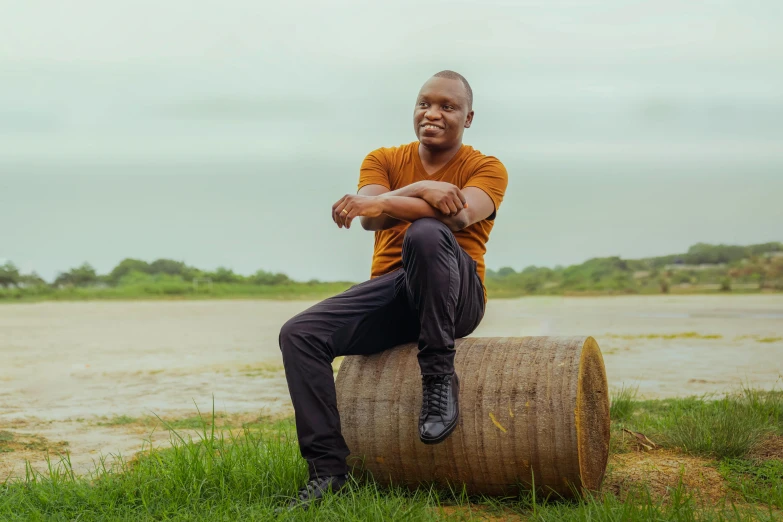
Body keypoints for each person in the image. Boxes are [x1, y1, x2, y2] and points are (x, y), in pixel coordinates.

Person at [279, 70, 508, 509]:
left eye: (448, 106)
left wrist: (385, 199)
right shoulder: (382, 159)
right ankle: (327, 471)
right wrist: (422, 187)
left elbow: (458, 217)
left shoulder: (486, 168)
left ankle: (439, 377)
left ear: (469, 117)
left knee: (425, 233)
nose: (433, 114)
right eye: (425, 103)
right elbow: (371, 217)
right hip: (393, 291)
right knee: (299, 334)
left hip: (457, 297)